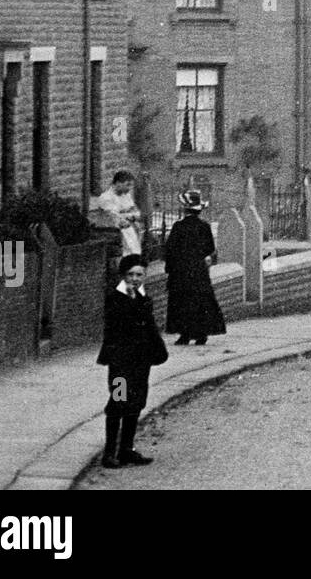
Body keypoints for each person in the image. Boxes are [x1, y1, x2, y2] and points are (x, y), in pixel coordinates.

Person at [97, 254, 168, 468]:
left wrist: (158, 351)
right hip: (120, 364)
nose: (135, 279)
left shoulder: (144, 297)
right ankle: (110, 453)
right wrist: (133, 300)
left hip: (140, 361)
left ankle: (126, 449)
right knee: (118, 402)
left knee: (136, 402)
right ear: (123, 275)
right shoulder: (114, 298)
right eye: (131, 274)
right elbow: (119, 325)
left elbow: (150, 327)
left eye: (139, 275)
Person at [163, 190, 226, 346]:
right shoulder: (204, 226)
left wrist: (170, 268)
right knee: (200, 301)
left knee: (182, 302)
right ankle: (201, 334)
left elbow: (169, 249)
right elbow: (210, 248)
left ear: (185, 209)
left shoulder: (178, 226)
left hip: (181, 271)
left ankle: (184, 335)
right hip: (198, 271)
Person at [91, 170, 143, 263]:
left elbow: (136, 213)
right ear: (118, 183)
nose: (130, 188)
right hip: (115, 233)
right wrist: (128, 215)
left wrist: (128, 215)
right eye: (127, 185)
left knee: (135, 255)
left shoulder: (126, 196)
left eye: (131, 185)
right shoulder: (106, 198)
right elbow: (115, 217)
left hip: (130, 231)